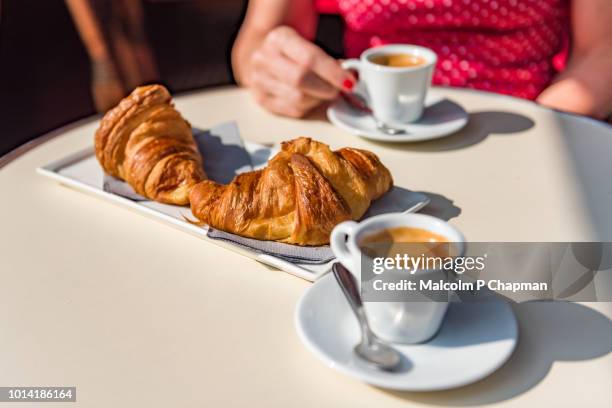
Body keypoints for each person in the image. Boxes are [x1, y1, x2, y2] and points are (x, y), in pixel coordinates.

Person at [232, 0, 612, 120]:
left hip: (524, 121)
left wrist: (538, 129)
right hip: (367, 124)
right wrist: (270, 68)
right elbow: (261, 35)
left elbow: (601, 51)